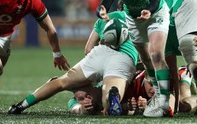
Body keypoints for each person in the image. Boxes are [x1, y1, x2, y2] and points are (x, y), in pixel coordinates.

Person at [8, 11, 139, 116]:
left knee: (60, 82)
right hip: (124, 58)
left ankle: (21, 105)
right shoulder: (140, 24)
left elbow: (88, 49)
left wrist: (93, 73)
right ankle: (110, 100)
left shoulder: (106, 18)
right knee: (108, 101)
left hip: (101, 52)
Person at [96, 0, 171, 118]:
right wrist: (102, 12)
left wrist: (149, 11)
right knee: (145, 58)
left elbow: (155, 0)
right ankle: (158, 92)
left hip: (156, 14)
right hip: (133, 19)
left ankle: (165, 101)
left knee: (156, 53)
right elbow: (103, 4)